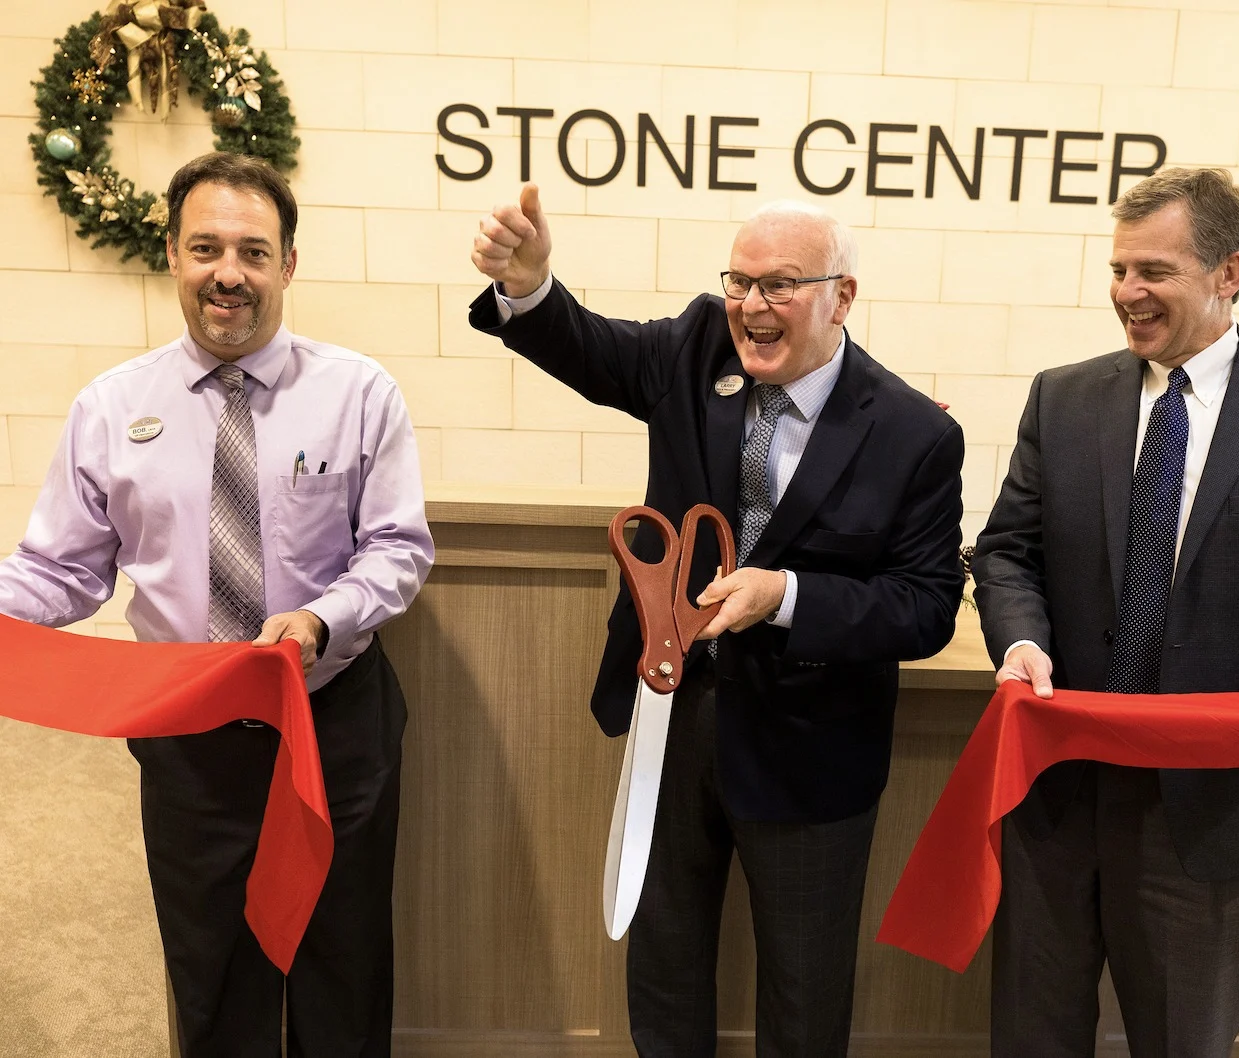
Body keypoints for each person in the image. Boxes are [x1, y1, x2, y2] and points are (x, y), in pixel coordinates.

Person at [468, 187, 964, 1056]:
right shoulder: (698, 345)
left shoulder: (914, 434)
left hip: (813, 748)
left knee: (805, 998)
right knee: (662, 967)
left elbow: (923, 607)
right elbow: (590, 349)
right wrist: (532, 288)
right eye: (741, 281)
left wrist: (789, 597)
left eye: (780, 286)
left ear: (842, 295)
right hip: (674, 715)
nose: (751, 306)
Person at [0, 152, 433, 1056]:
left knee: (341, 974)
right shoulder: (112, 408)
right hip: (191, 741)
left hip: (329, 725)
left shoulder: (359, 393)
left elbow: (397, 550)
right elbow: (61, 570)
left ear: (287, 263)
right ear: (172, 254)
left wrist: (322, 618)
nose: (227, 273)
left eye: (251, 250)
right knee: (213, 978)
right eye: (205, 248)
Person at [972, 167, 1239, 1057]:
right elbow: (1008, 550)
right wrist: (1022, 641)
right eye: (1120, 270)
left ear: (1228, 273)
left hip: (1210, 807)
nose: (1128, 293)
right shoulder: (1063, 396)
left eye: (1153, 271)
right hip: (1059, 787)